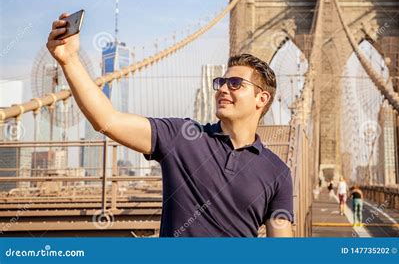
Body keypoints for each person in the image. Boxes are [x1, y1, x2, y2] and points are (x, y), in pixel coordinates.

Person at [46, 13, 294, 237]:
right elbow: (107, 121)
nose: (222, 89)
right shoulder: (182, 137)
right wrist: (69, 60)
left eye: (235, 84)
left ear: (262, 99)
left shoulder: (278, 172)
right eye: (221, 82)